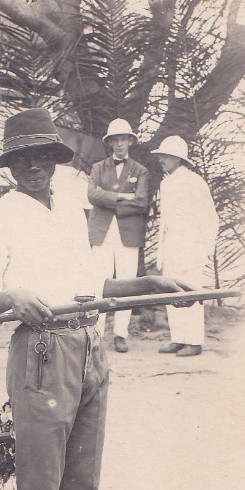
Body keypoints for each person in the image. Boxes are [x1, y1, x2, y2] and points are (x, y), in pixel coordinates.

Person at [0, 108, 191, 490]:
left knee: (82, 481)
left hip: (91, 347)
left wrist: (150, 284)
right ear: (10, 166)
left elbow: (90, 285)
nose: (34, 165)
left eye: (42, 154)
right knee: (42, 489)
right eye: (22, 158)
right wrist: (12, 296)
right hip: (40, 353)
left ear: (54, 158)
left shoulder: (68, 209)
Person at [87, 119, 150, 353]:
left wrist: (109, 199)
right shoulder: (98, 168)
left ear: (130, 142)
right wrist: (123, 196)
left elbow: (142, 202)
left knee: (127, 281)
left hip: (128, 233)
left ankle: (121, 334)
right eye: (116, 140)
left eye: (124, 139)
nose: (120, 144)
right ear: (110, 143)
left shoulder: (140, 170)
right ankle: (97, 332)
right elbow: (92, 194)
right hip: (102, 232)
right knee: (98, 281)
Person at [153, 136, 219, 357]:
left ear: (177, 158)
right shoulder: (166, 183)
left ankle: (194, 341)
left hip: (191, 248)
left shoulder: (195, 182)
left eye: (165, 155)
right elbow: (164, 223)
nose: (161, 159)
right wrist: (161, 251)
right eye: (160, 155)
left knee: (191, 293)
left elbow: (210, 217)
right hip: (172, 246)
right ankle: (178, 338)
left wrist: (205, 248)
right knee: (172, 292)